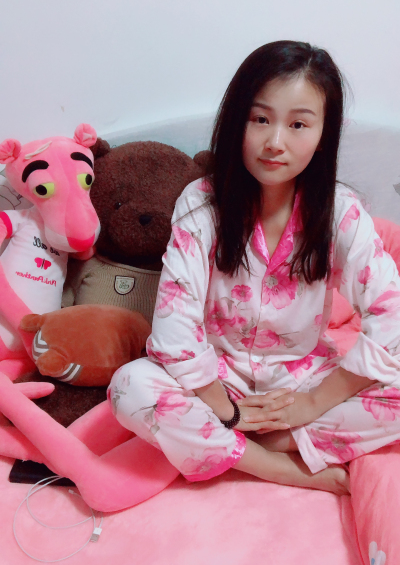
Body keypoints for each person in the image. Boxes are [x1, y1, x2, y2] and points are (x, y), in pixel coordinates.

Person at [108, 40, 400, 496]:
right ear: (236, 119)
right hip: (216, 380)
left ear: (323, 134)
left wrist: (312, 404)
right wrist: (228, 411)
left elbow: (391, 315)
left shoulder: (341, 211)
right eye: (260, 119)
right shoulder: (200, 204)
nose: (275, 142)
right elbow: (174, 329)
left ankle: (265, 440)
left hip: (303, 380)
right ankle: (272, 464)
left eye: (298, 124)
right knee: (129, 388)